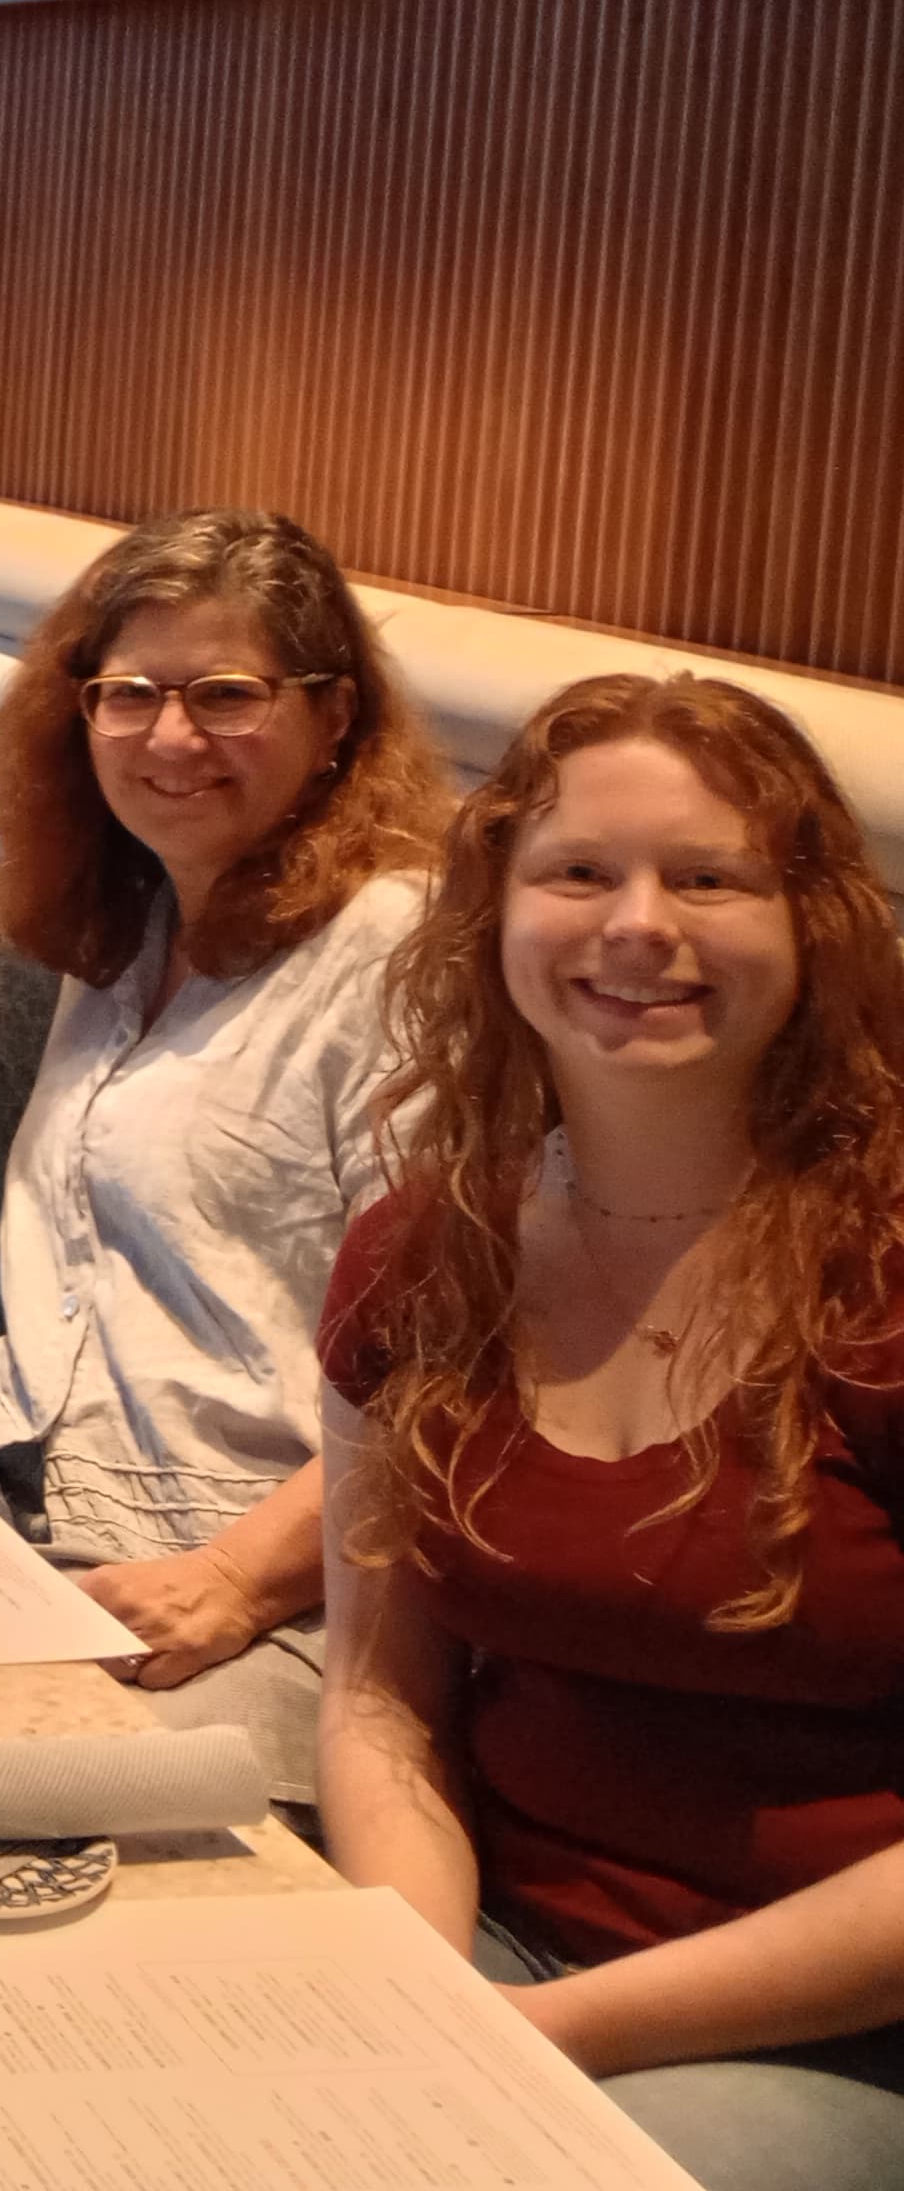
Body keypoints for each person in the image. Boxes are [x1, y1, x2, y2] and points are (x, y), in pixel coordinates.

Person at [317, 674, 904, 2191]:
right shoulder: (417, 1252)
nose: (638, 926)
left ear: (815, 925)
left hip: (834, 2025)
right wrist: (421, 1990)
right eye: (580, 872)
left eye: (710, 878)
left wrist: (546, 2035)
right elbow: (382, 1700)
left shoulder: (885, 1273)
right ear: (494, 911)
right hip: (498, 1955)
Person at [0, 510, 447, 1798]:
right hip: (6, 1506)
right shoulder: (133, 913)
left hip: (250, 1595)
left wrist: (235, 1578)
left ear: (334, 718)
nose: (171, 737)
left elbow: (455, 1365)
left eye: (226, 694)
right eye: (130, 694)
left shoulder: (396, 955)